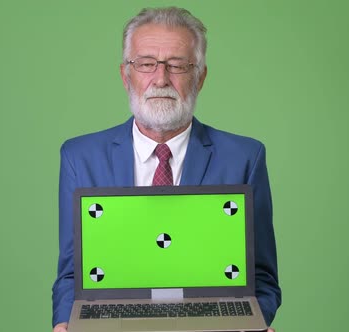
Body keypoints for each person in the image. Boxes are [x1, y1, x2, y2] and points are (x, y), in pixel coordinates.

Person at [52, 7, 281, 332]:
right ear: (125, 74)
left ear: (200, 77)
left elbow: (261, 276)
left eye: (177, 65)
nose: (160, 79)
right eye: (146, 64)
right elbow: (73, 272)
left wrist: (251, 322)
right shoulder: (80, 157)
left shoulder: (245, 157)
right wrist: (64, 323)